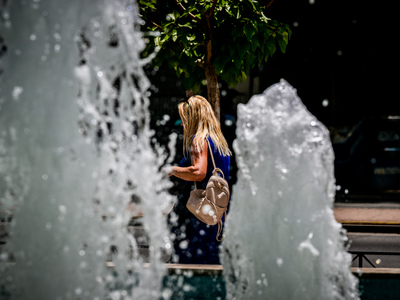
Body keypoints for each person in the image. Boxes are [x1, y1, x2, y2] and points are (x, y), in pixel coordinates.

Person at [167, 95, 232, 264]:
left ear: (193, 117)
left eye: (184, 119)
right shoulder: (220, 143)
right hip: (216, 209)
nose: (182, 124)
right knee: (210, 260)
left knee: (189, 261)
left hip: (198, 211)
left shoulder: (199, 140)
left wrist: (173, 170)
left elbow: (198, 172)